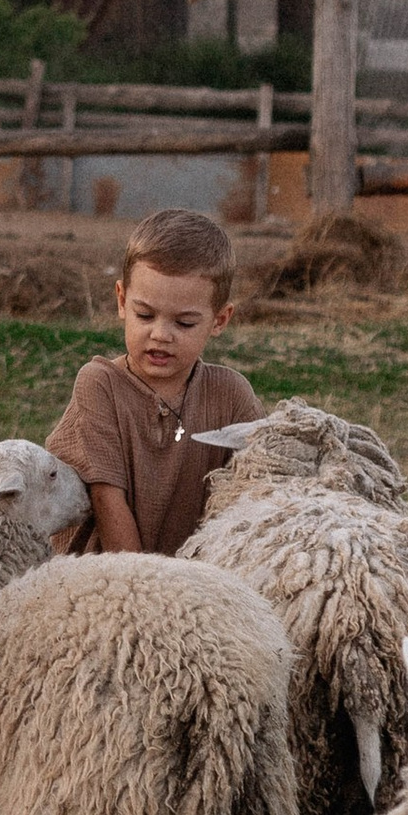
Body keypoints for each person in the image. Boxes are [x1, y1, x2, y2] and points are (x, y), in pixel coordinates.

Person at [45, 206, 263, 554]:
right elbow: (106, 496)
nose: (160, 334)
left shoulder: (230, 395)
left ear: (220, 320)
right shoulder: (100, 385)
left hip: (202, 576)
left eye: (184, 323)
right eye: (144, 315)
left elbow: (260, 491)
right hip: (107, 575)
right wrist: (145, 582)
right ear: (122, 301)